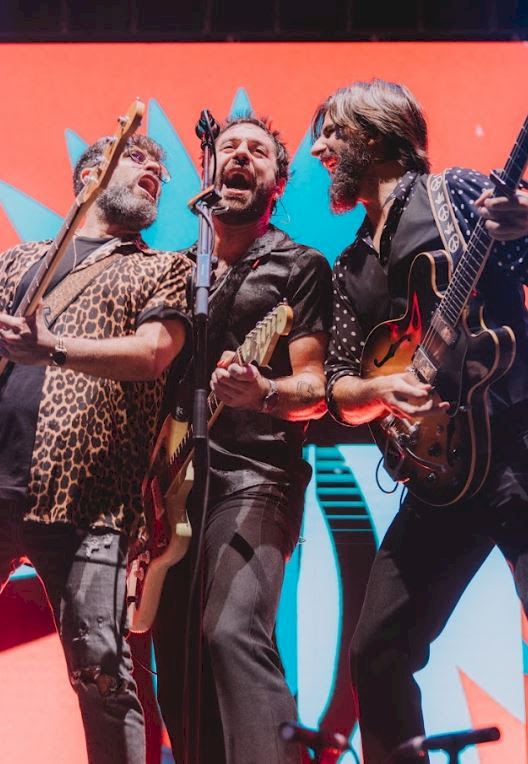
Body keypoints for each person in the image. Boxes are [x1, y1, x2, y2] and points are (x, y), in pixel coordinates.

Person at [310, 80, 528, 764]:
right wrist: (382, 390)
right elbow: (338, 388)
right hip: (441, 479)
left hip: (521, 440)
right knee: (377, 647)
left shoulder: (454, 195)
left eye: (331, 132)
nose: (319, 150)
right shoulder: (349, 267)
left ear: (376, 134)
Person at [0, 133, 192, 764]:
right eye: (138, 158)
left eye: (160, 169)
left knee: (102, 674)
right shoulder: (17, 262)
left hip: (90, 499)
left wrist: (50, 347)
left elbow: (153, 354)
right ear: (90, 176)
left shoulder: (163, 268)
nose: (155, 171)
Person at [151, 115, 331, 764]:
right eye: (230, 147)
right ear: (209, 170)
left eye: (258, 151)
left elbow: (315, 387)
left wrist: (264, 392)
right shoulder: (178, 272)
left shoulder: (299, 266)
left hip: (258, 475)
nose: (241, 157)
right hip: (170, 493)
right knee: (180, 669)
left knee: (231, 632)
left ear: (277, 183)